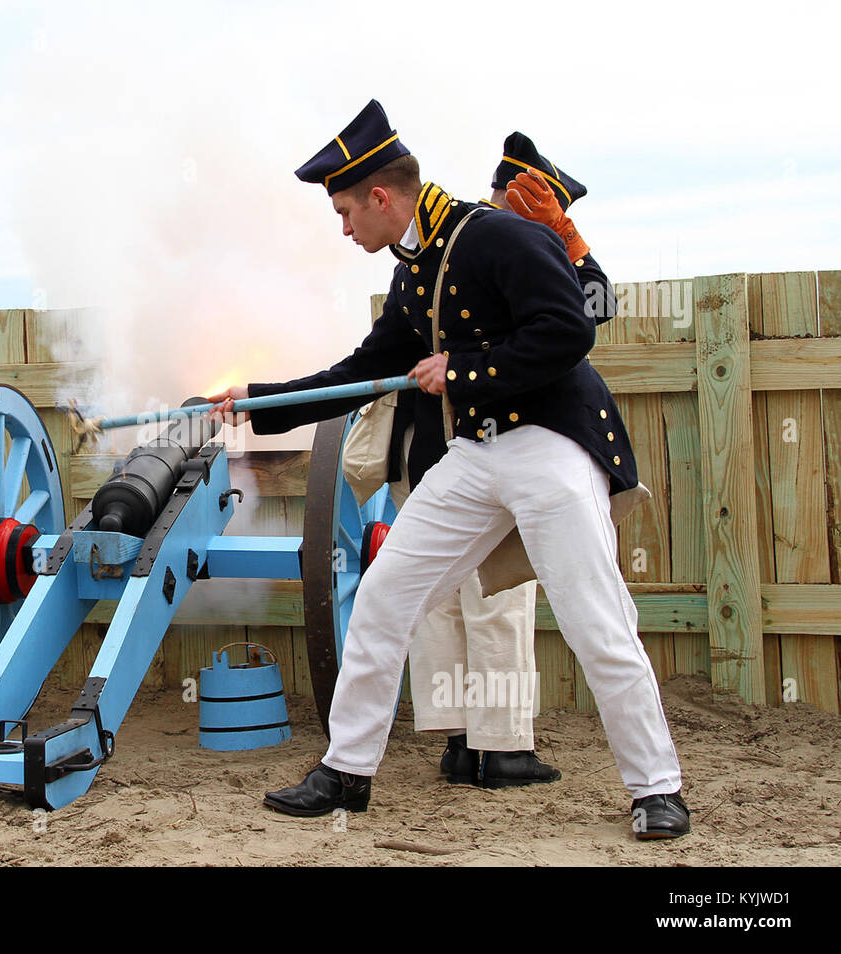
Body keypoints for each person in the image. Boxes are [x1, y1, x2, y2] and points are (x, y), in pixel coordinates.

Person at [207, 100, 688, 839]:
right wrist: (258, 403)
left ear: (379, 196)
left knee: (597, 621)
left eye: (343, 212)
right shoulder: (417, 269)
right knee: (383, 597)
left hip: (551, 443)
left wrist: (464, 371)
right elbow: (367, 368)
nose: (342, 229)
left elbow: (569, 330)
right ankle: (346, 773)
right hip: (475, 454)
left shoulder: (497, 235)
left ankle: (657, 789)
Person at [406, 133, 616, 788]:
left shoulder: (450, 246)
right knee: (501, 595)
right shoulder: (522, 250)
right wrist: (572, 244)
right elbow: (596, 308)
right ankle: (502, 751)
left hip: (433, 445)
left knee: (442, 593)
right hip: (501, 441)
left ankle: (459, 743)